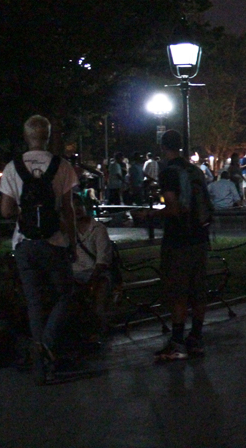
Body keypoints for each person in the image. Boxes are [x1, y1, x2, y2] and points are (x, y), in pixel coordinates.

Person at [0, 115, 78, 384]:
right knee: (65, 294)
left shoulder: (13, 167)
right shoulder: (62, 166)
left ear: (26, 137)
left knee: (34, 302)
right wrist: (73, 242)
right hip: (54, 242)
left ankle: (39, 364)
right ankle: (47, 344)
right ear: (48, 136)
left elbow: (6, 210)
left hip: (25, 243)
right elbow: (68, 209)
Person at [133, 130, 214, 361]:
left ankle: (177, 342)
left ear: (162, 147)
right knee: (198, 291)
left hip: (178, 240)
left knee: (178, 291)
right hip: (200, 237)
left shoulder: (169, 172)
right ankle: (196, 338)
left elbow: (174, 207)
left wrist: (148, 214)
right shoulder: (195, 171)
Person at [71, 192, 113, 339]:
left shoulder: (98, 229)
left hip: (96, 274)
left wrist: (91, 282)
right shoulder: (67, 231)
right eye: (72, 206)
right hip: (75, 275)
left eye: (79, 205)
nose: (77, 209)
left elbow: (102, 261)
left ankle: (98, 333)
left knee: (98, 302)